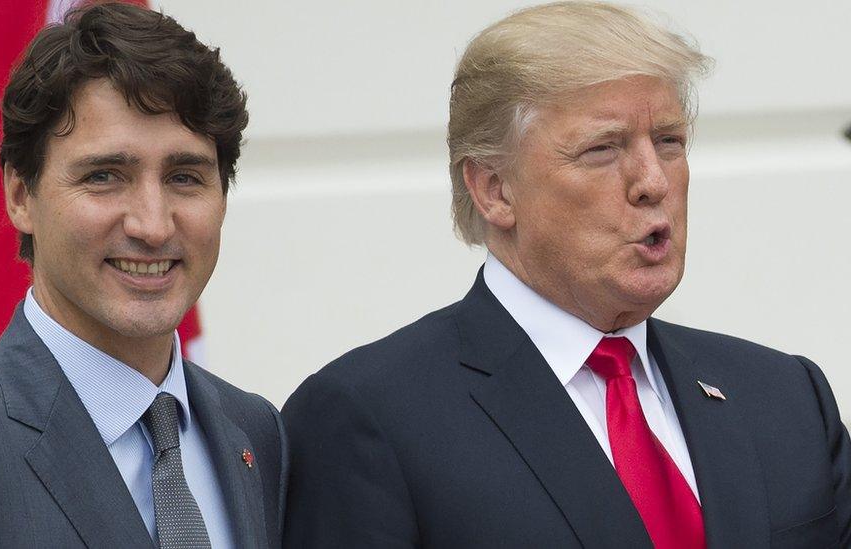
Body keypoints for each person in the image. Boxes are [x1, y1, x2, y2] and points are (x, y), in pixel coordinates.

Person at [282, 2, 850, 547]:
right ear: (494, 189)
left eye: (669, 141)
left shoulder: (786, 397)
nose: (653, 181)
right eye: (603, 149)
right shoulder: (370, 419)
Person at [0, 4, 285, 547]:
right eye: (105, 176)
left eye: (185, 177)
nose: (153, 224)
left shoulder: (256, 432)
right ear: (21, 195)